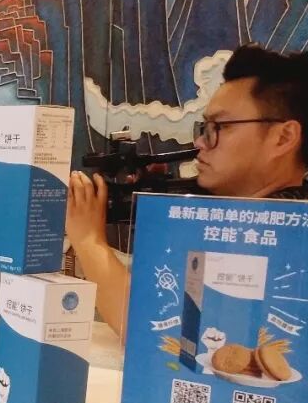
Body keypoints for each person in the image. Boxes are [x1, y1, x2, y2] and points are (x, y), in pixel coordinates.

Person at [66, 44, 308, 338]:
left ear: (283, 137)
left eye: (219, 127)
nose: (201, 142)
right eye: (204, 127)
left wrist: (88, 239)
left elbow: (154, 330)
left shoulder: (283, 235)